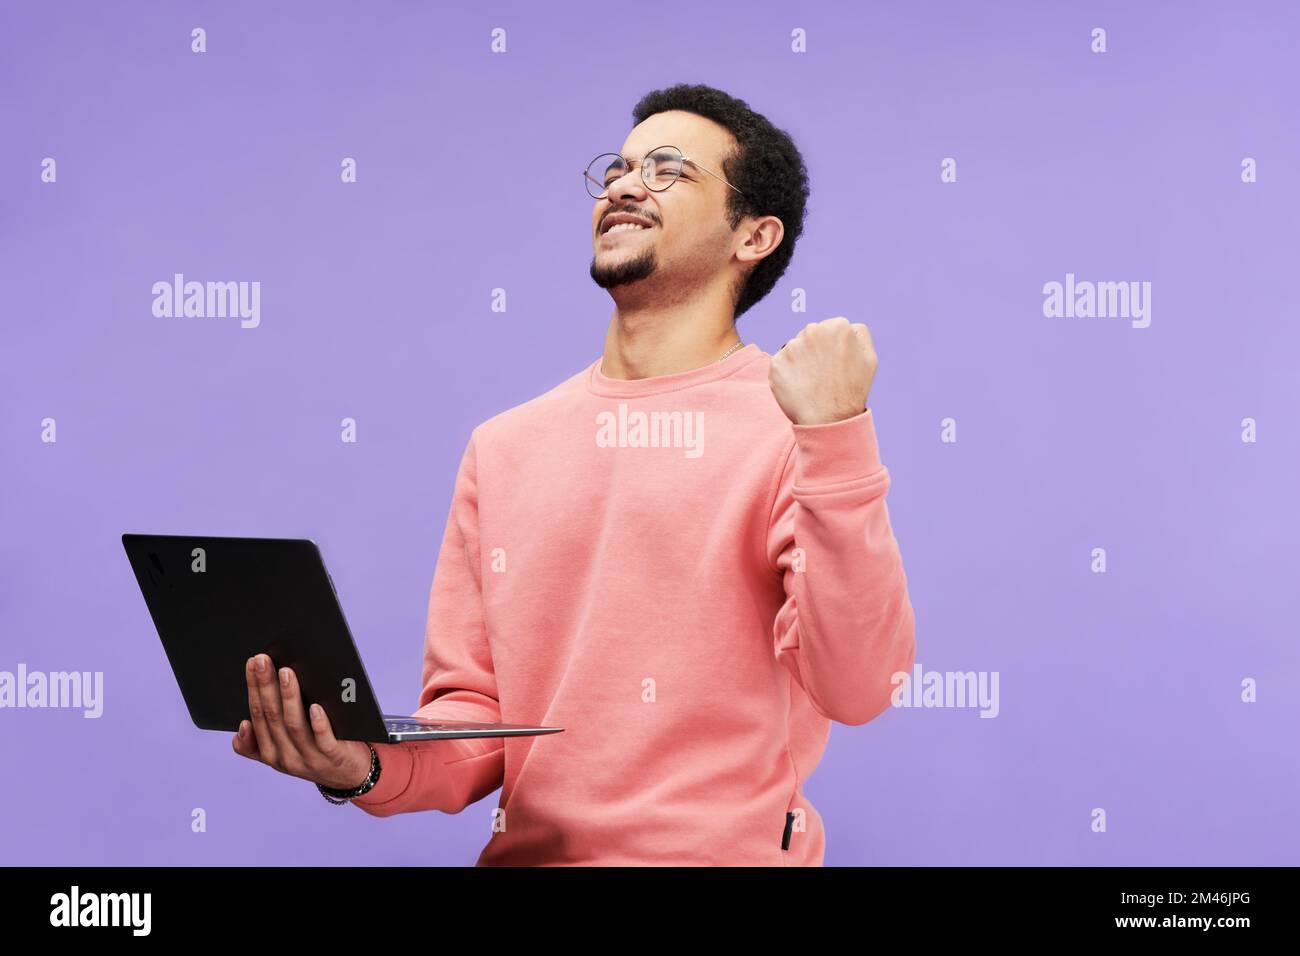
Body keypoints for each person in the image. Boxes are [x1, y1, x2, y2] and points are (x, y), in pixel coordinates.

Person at [232, 82, 916, 866]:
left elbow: (859, 687)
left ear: (753, 236)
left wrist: (836, 439)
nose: (626, 185)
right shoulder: (505, 445)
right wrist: (361, 768)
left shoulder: (795, 427)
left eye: (669, 171)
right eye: (618, 169)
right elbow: (477, 720)